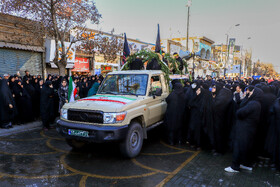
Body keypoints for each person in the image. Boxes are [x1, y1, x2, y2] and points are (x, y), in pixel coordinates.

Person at [225, 86, 263, 172]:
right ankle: (245, 164)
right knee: (245, 147)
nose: (250, 93)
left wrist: (239, 112)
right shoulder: (255, 102)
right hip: (248, 129)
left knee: (239, 147)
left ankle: (234, 167)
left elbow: (240, 112)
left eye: (252, 91)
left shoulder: (253, 103)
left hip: (244, 129)